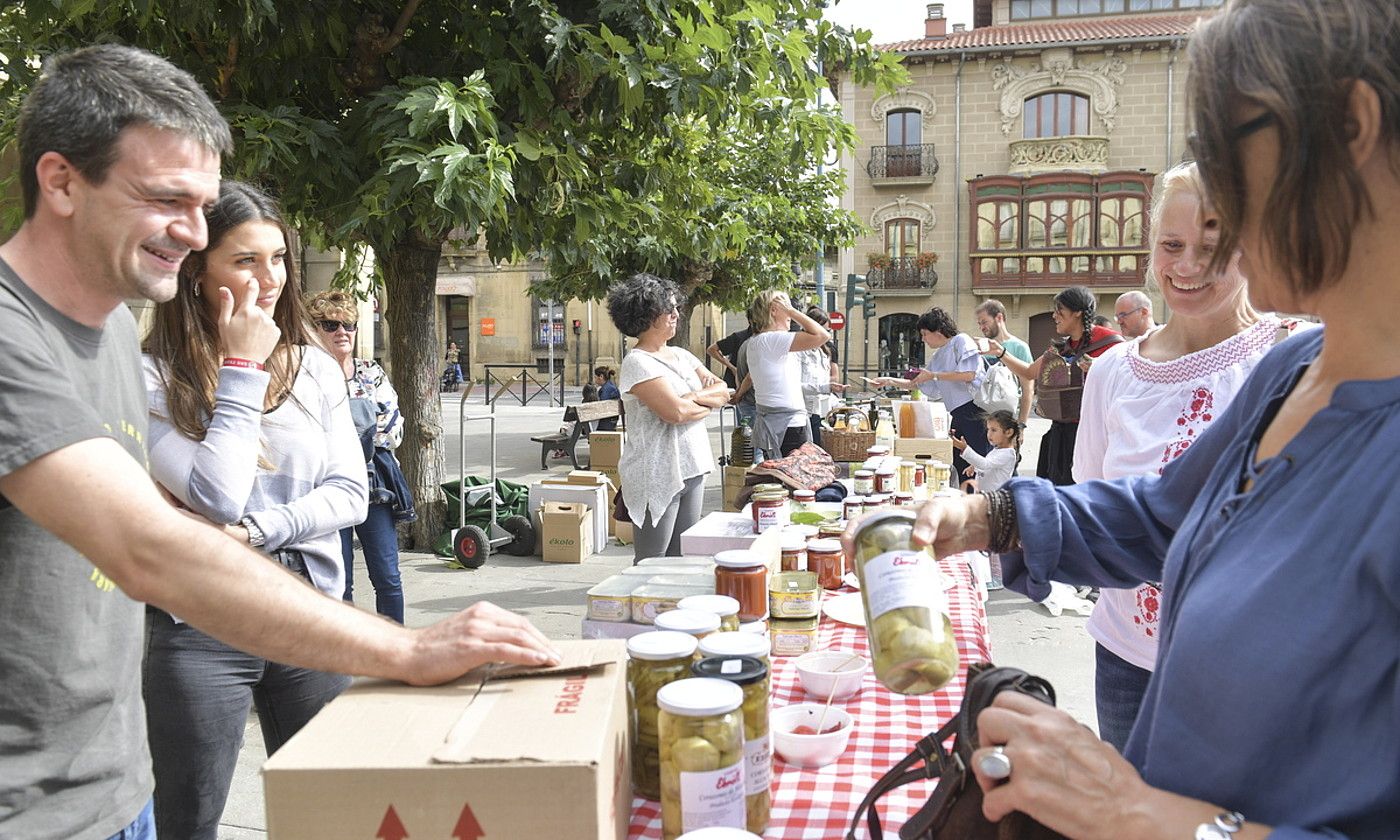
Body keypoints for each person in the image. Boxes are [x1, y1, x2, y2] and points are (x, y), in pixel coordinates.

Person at [856, 1, 1400, 835]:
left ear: (1353, 126)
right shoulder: (1297, 368)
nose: (1217, 194)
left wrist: (1139, 812)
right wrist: (989, 516)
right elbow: (1162, 512)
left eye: (1230, 146)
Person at [0, 44, 557, 840]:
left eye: (202, 206)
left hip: (113, 788)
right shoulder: (14, 333)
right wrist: (407, 647)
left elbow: (327, 496)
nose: (193, 234)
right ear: (59, 180)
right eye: (166, 200)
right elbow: (153, 547)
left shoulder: (112, 341)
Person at [142, 183, 370, 836]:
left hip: (307, 606)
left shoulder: (316, 369)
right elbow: (215, 491)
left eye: (278, 259)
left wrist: (257, 530)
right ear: (197, 270)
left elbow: (349, 495)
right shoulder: (151, 377)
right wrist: (241, 366)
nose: (268, 280)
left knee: (333, 814)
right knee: (188, 818)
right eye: (245, 260)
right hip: (200, 621)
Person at [1074, 162, 1311, 751]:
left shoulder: (1293, 357)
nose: (1187, 266)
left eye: (1214, 245)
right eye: (1171, 245)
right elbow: (1096, 504)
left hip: (1246, 668)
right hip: (1127, 659)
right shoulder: (1111, 372)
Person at [306, 289, 412, 625]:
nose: (342, 332)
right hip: (325, 489)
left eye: (349, 325)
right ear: (313, 330)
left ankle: (395, 646)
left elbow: (393, 429)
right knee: (339, 580)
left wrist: (347, 431)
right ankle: (346, 654)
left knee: (388, 576)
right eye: (330, 324)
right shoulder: (305, 376)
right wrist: (366, 422)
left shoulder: (371, 372)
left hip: (373, 488)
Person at [609, 273, 730, 559]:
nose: (677, 314)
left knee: (681, 557)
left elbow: (724, 390)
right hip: (656, 472)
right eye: (669, 308)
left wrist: (693, 399)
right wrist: (700, 404)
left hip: (693, 465)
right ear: (647, 315)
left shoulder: (682, 355)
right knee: (652, 560)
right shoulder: (638, 362)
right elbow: (674, 413)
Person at [990, 286, 1122, 485]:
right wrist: (1001, 353)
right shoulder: (1062, 347)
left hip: (1091, 436)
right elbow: (1028, 372)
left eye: (1059, 310)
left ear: (1077, 311)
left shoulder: (1112, 345)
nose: (1054, 315)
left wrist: (1098, 368)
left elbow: (1123, 384)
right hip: (1059, 434)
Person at [872, 308, 989, 490]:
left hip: (974, 411)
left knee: (975, 465)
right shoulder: (939, 354)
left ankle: (980, 507)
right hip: (959, 414)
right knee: (959, 464)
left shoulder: (961, 341)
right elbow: (920, 383)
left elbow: (969, 374)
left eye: (925, 334)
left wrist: (934, 375)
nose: (923, 339)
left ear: (939, 330)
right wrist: (888, 380)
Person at [734, 290, 831, 459]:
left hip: (776, 424)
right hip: (788, 425)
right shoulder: (772, 339)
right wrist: (793, 312)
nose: (790, 313)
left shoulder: (758, 341)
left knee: (780, 480)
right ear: (773, 310)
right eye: (786, 306)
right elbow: (822, 335)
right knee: (794, 481)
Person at [974, 299, 1035, 426]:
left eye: (984, 322)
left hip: (1007, 421)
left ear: (999, 317)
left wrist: (1021, 425)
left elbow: (1028, 389)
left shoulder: (1019, 347)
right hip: (979, 419)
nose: (981, 327)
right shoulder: (979, 348)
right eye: (979, 324)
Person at [797, 306, 846, 447]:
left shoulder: (823, 351)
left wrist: (837, 403)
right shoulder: (798, 351)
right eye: (823, 330)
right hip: (805, 413)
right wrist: (825, 387)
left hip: (823, 412)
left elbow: (826, 380)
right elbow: (795, 385)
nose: (826, 335)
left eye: (828, 330)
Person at [953, 409, 1021, 495]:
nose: (989, 434)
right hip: (985, 497)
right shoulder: (997, 450)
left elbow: (985, 464)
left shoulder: (1008, 454)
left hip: (994, 501)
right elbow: (991, 467)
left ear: (1008, 432)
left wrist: (964, 448)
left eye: (993, 430)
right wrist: (975, 467)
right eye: (988, 429)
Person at [593, 365, 620, 430]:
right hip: (612, 419)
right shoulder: (610, 385)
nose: (594, 380)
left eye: (595, 377)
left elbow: (602, 405)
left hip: (606, 421)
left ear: (601, 377)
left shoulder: (606, 389)